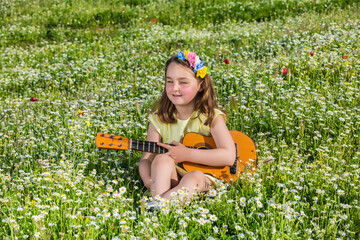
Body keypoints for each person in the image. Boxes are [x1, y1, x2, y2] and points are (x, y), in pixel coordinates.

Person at [138, 50, 235, 205]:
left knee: (193, 176)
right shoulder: (158, 120)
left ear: (201, 85)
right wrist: (150, 185)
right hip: (173, 178)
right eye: (169, 81)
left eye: (183, 82)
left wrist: (187, 154)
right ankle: (159, 203)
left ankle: (158, 206)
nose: (175, 88)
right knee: (161, 159)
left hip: (205, 177)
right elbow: (145, 160)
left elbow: (229, 156)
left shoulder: (210, 117)